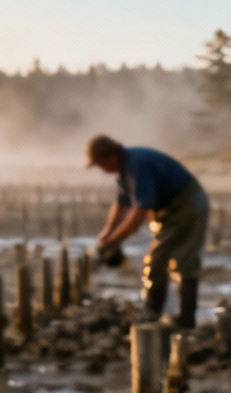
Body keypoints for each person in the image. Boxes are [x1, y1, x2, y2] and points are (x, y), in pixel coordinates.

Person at [86, 136, 210, 327]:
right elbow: (121, 204)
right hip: (173, 210)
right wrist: (106, 234)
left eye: (101, 165)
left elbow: (138, 214)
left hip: (187, 207)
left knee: (166, 259)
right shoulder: (126, 168)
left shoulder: (137, 166)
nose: (103, 171)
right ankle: (171, 315)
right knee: (171, 259)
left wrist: (113, 241)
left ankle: (158, 315)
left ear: (109, 156)